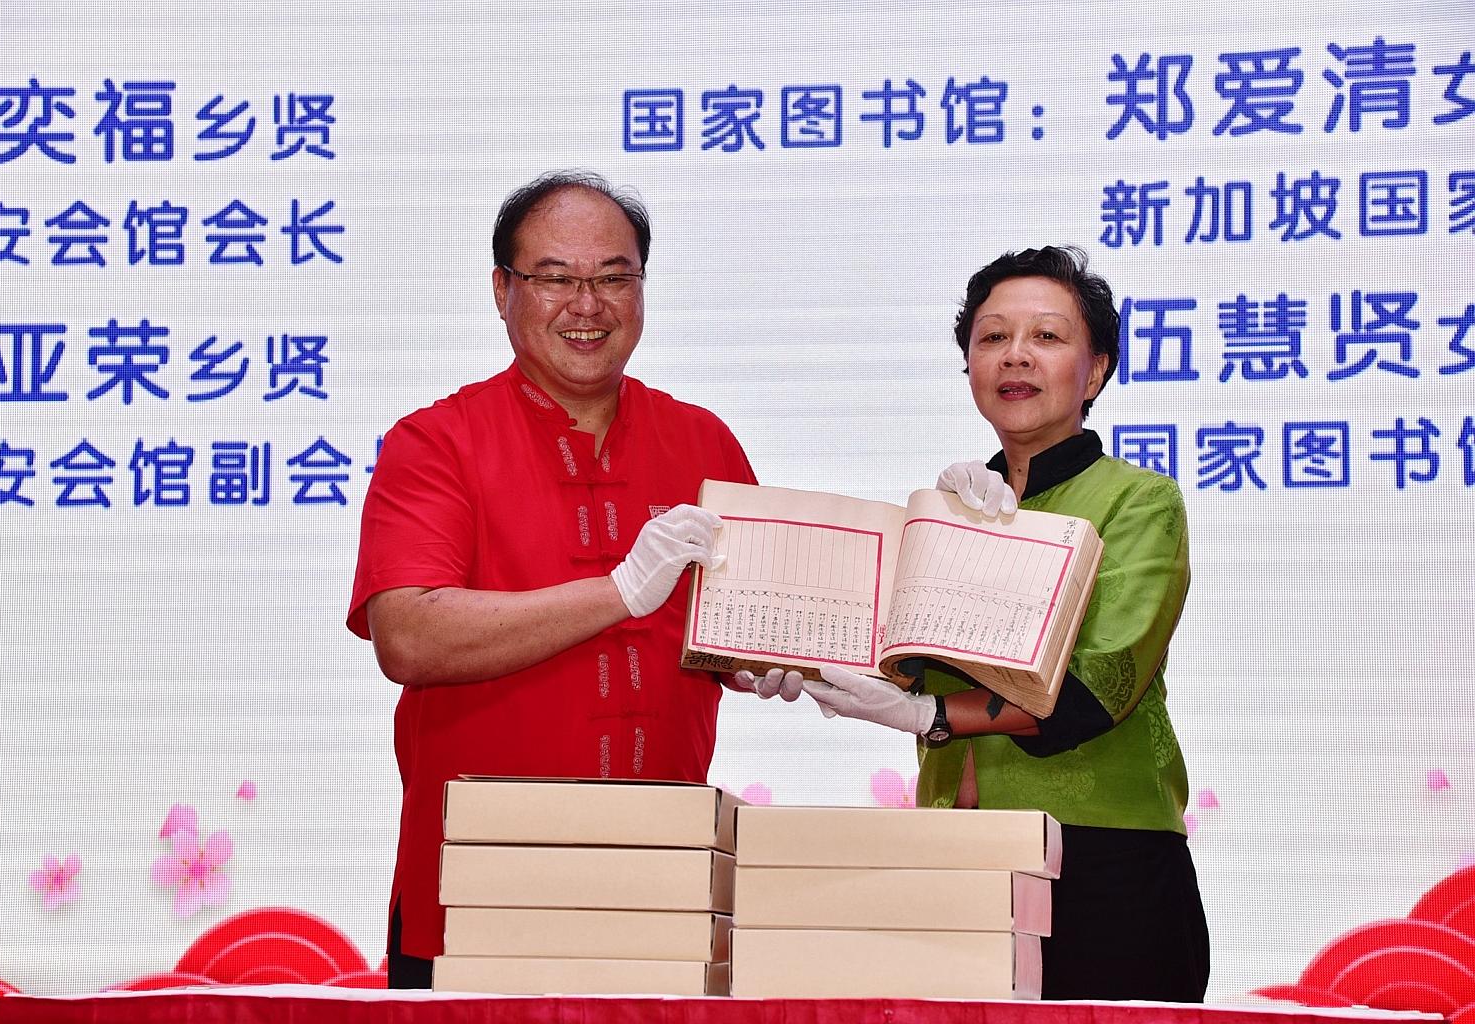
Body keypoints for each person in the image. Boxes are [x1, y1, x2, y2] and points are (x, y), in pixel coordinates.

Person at [751, 246, 1209, 1002]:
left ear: (1094, 372)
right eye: (992, 337)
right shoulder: (948, 511)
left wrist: (927, 714)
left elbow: (1098, 687)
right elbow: (891, 658)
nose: (1015, 356)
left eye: (1047, 337)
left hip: (1102, 865)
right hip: (951, 859)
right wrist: (777, 652)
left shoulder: (1140, 502)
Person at [347, 170, 759, 988]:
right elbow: (408, 634)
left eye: (614, 277)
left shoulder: (704, 442)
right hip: (474, 896)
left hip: (664, 883)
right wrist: (616, 594)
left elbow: (747, 631)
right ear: (502, 290)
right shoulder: (437, 443)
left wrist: (781, 660)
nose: (588, 304)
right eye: (557, 279)